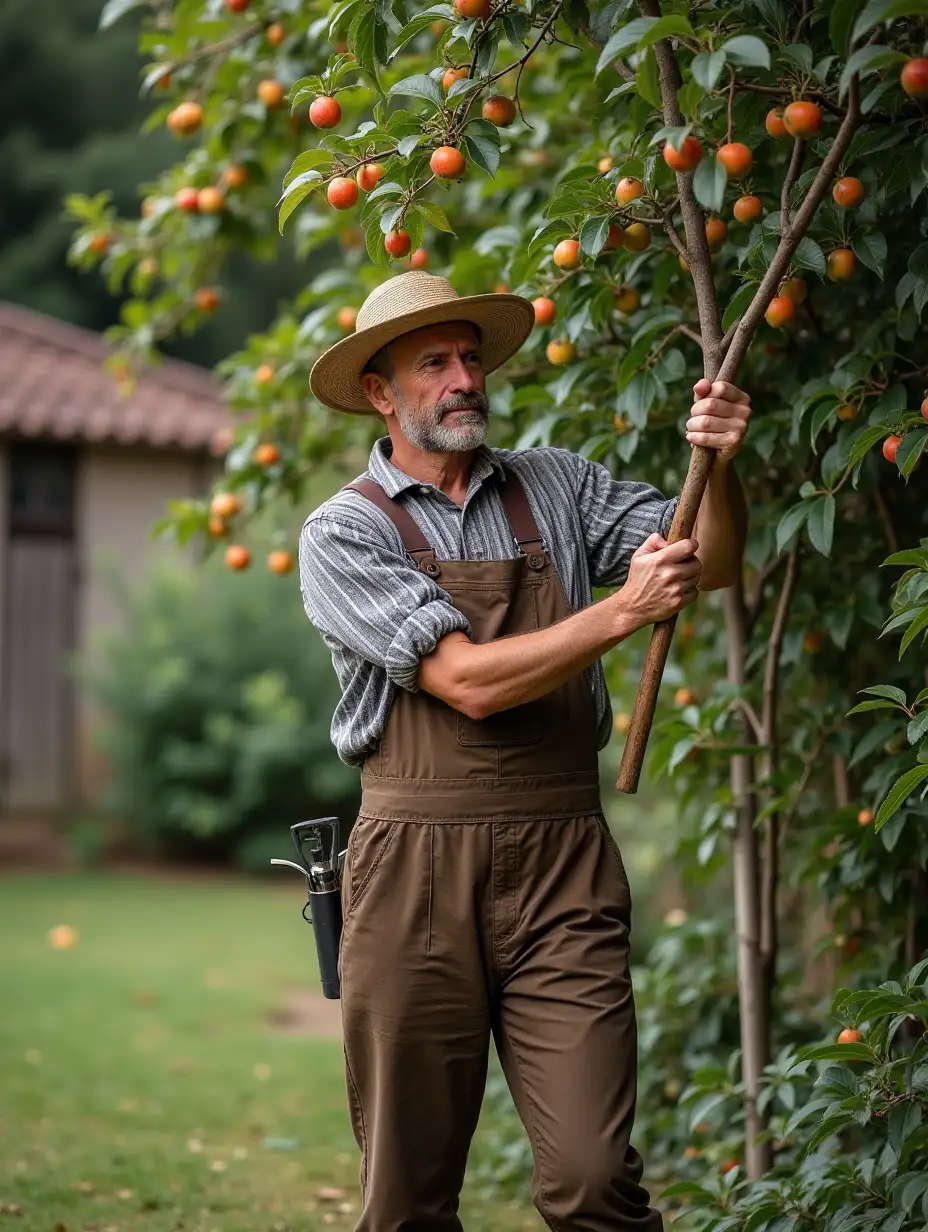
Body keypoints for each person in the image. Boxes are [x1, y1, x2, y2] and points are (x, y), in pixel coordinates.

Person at [299, 271, 749, 1232]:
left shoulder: (558, 484)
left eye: (471, 357)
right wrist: (624, 610)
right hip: (412, 872)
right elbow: (464, 682)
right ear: (381, 393)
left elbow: (708, 557)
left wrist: (721, 462)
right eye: (434, 363)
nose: (464, 378)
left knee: (594, 1180)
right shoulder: (344, 531)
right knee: (407, 1198)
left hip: (563, 864)